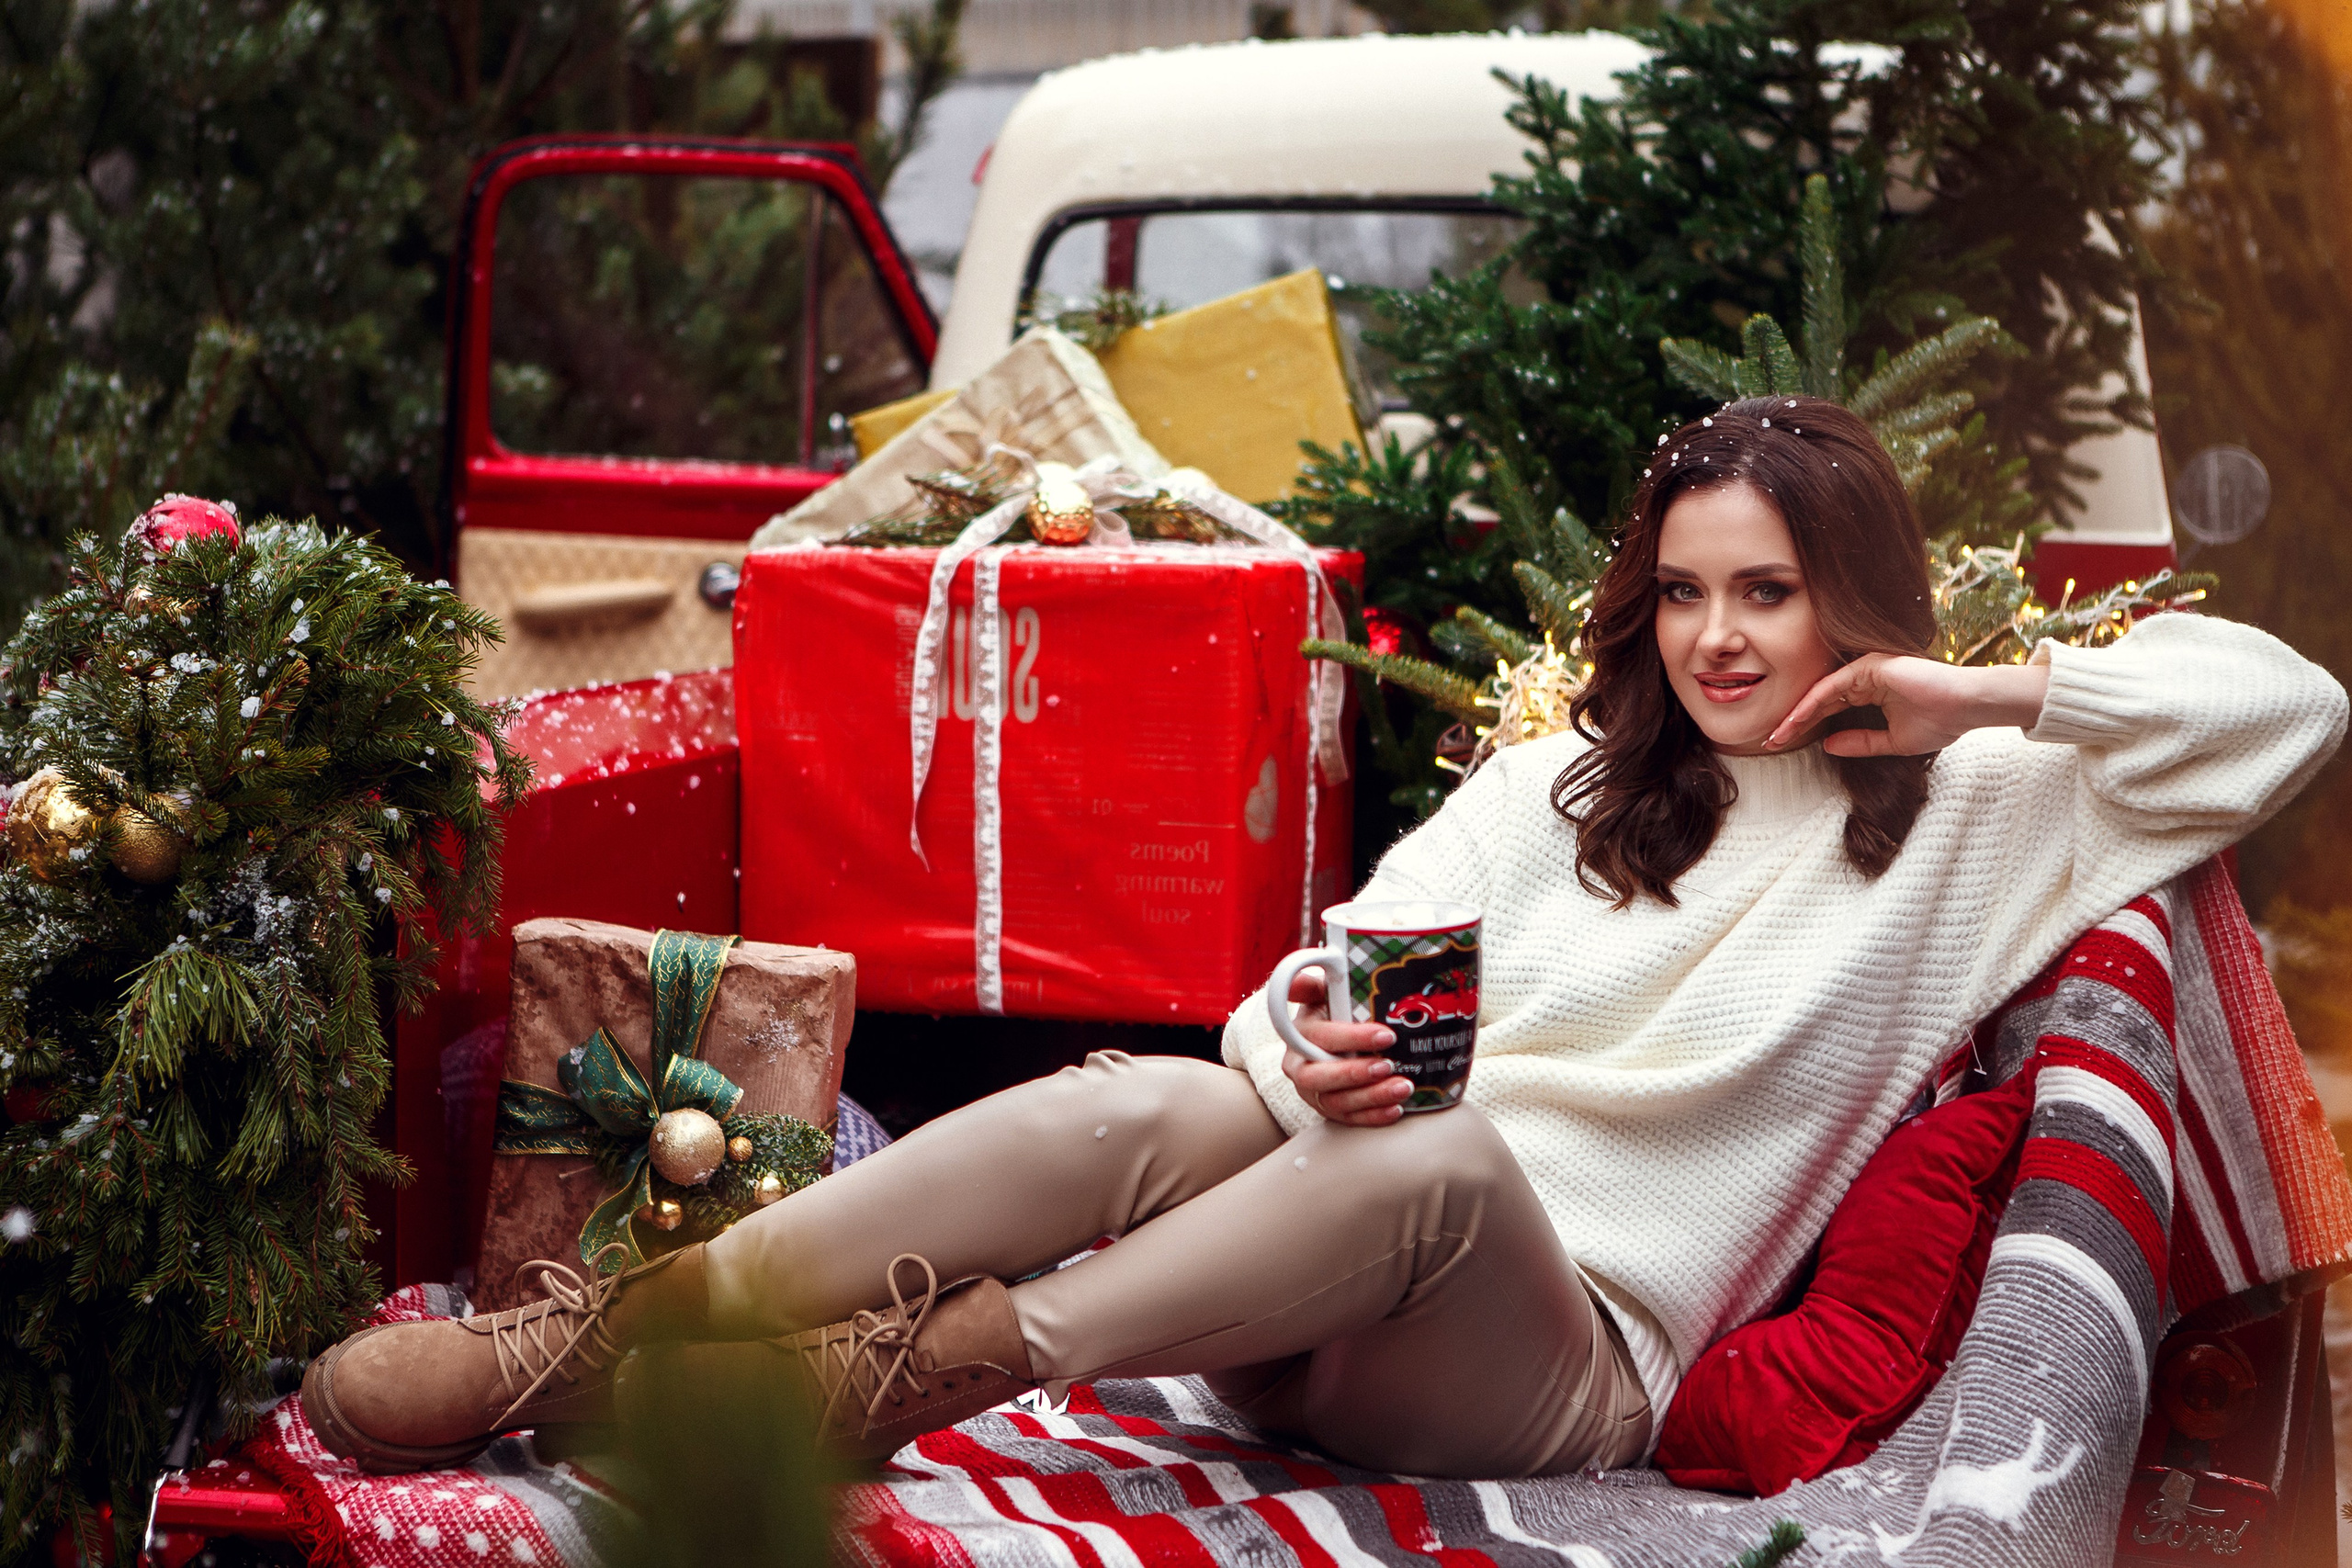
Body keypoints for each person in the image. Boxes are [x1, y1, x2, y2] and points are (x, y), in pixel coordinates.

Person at [303, 397, 2346, 1481]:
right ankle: (597, 1335)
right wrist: (1311, 1050)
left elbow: (2290, 709)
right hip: (1294, 1302)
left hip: (1552, 1360)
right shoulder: (1560, 790)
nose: (1719, 638)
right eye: (1685, 592)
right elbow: (1309, 990)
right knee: (1155, 1103)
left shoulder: (1981, 815)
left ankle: (910, 1375)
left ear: (1854, 600)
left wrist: (1972, 691)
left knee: (1437, 1163)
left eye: (1771, 591)